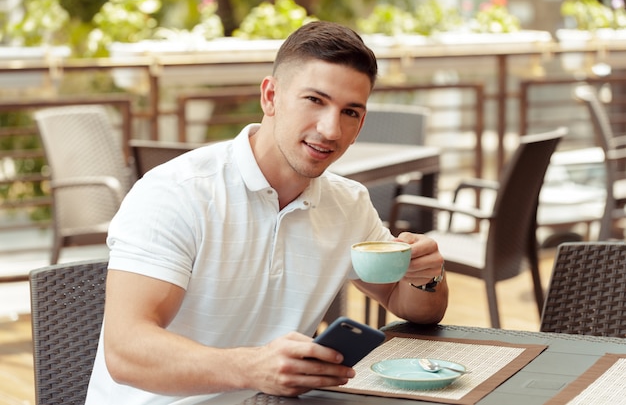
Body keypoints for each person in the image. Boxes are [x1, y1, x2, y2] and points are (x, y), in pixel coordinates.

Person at [85, 20, 448, 404]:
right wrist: (254, 367)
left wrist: (427, 276)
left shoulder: (349, 203)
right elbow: (125, 351)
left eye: (350, 112)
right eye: (315, 100)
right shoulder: (176, 192)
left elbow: (411, 304)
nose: (330, 130)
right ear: (271, 96)